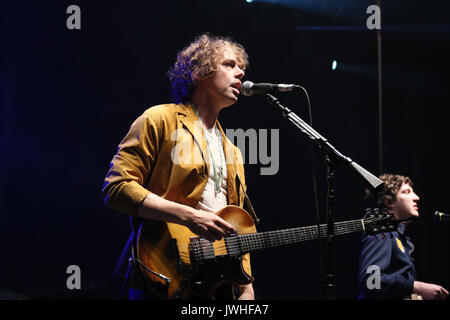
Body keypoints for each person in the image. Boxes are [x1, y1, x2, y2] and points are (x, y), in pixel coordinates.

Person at [101, 34, 255, 300]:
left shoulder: (233, 151)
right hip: (162, 274)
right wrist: (190, 216)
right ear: (199, 72)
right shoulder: (159, 119)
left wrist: (246, 285)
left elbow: (236, 225)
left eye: (241, 67)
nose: (240, 72)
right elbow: (116, 188)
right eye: (229, 65)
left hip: (214, 286)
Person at [357, 173, 448, 300]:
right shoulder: (381, 231)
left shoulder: (399, 236)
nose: (416, 197)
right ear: (389, 201)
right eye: (406, 192)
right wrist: (415, 287)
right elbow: (371, 281)